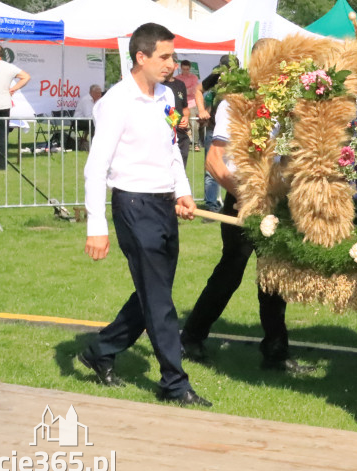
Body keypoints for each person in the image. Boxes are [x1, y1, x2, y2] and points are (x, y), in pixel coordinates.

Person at [77, 23, 208, 407]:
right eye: (164, 57)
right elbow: (95, 167)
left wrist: (182, 190)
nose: (172, 64)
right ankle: (174, 384)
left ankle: (102, 349)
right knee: (161, 301)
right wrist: (96, 226)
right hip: (132, 204)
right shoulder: (116, 102)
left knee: (155, 293)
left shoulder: (167, 95)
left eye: (173, 56)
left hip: (164, 202)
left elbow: (171, 149)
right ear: (141, 57)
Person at [179, 89, 312, 373]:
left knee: (273, 276)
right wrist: (246, 194)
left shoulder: (283, 103)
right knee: (231, 271)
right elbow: (214, 162)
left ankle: (276, 352)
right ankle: (191, 337)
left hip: (273, 200)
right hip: (241, 199)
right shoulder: (234, 104)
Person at [198, 54, 232, 212]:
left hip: (233, 131)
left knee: (235, 169)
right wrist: (201, 110)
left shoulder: (240, 80)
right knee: (212, 168)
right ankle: (211, 206)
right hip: (214, 128)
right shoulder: (214, 77)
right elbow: (198, 90)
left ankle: (231, 203)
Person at [0, 44, 31, 169]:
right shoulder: (9, 67)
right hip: (4, 104)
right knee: (2, 136)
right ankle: (1, 165)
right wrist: (13, 89)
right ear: (2, 54)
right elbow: (26, 77)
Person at [175, 60, 209, 150]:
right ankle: (185, 143)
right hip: (181, 105)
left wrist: (184, 91)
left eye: (187, 69)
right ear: (180, 68)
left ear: (190, 69)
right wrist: (186, 91)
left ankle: (196, 143)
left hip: (192, 104)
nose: (185, 71)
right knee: (182, 125)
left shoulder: (194, 77)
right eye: (184, 69)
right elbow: (178, 91)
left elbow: (193, 90)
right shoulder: (177, 78)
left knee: (194, 124)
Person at [164, 63, 192, 167]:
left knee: (181, 168)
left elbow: (185, 108)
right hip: (166, 135)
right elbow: (162, 108)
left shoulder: (180, 84)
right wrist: (175, 121)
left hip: (181, 135)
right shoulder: (159, 85)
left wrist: (186, 117)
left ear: (175, 66)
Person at [74, 84, 102, 151]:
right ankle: (94, 146)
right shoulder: (86, 100)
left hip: (88, 120)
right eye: (98, 93)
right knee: (94, 124)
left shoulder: (98, 100)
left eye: (100, 92)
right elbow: (89, 116)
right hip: (79, 121)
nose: (100, 94)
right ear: (92, 93)